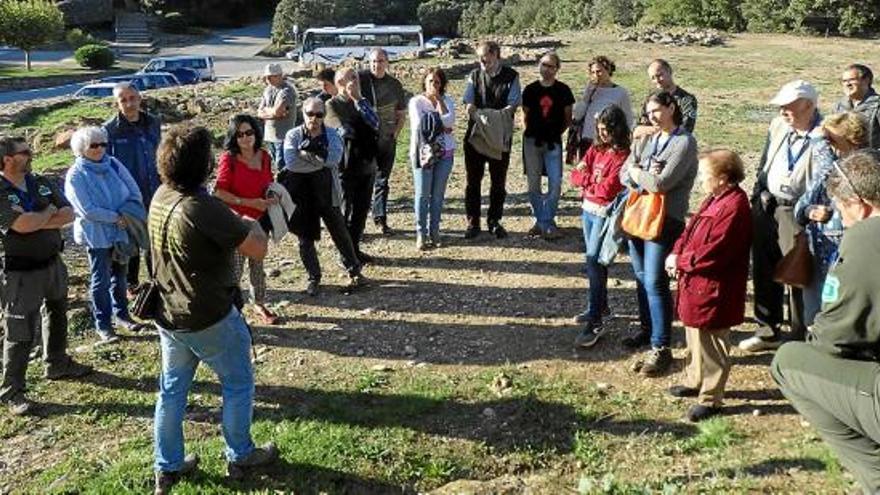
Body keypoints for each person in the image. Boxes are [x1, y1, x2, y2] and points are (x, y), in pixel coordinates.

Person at [150, 125, 277, 494]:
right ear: (201, 163)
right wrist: (249, 223)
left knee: (172, 390)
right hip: (209, 314)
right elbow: (257, 250)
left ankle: (168, 465)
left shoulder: (160, 195)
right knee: (237, 382)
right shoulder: (201, 206)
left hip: (169, 313)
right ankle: (240, 454)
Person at [771, 149, 880, 495]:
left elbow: (835, 335)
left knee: (788, 362)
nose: (844, 223)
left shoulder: (866, 235)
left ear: (860, 205)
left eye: (844, 213)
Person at [0, 137, 92, 416]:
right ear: (7, 159)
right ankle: (12, 390)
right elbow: (22, 226)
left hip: (52, 263)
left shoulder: (40, 181)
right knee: (20, 330)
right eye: (24, 152)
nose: (30, 155)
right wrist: (45, 213)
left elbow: (67, 213)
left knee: (57, 312)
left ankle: (57, 362)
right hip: (20, 272)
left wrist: (40, 215)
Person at [664, 149, 752, 422]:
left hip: (715, 287)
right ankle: (694, 379)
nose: (701, 179)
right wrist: (676, 252)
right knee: (693, 335)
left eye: (706, 174)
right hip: (696, 283)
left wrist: (683, 261)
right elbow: (690, 231)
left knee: (713, 342)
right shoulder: (714, 199)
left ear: (723, 178)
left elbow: (716, 250)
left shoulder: (735, 206)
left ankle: (711, 398)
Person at [741, 80, 824, 353]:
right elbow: (764, 161)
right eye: (780, 107)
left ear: (809, 105)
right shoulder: (779, 126)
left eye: (788, 106)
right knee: (764, 268)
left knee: (798, 272)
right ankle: (767, 330)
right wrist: (759, 193)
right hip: (767, 206)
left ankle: (799, 335)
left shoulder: (824, 134)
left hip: (798, 211)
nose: (782, 112)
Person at [619, 91, 698, 376]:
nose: (652, 116)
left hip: (666, 220)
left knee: (655, 280)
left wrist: (639, 174)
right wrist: (641, 174)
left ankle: (661, 346)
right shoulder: (649, 139)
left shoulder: (684, 143)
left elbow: (662, 183)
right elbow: (623, 172)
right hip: (640, 216)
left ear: (671, 107)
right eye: (649, 112)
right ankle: (647, 329)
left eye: (657, 110)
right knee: (641, 278)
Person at [64, 126, 146, 343]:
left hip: (120, 232)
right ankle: (103, 324)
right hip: (96, 235)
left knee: (120, 275)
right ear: (81, 149)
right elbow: (86, 210)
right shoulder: (75, 175)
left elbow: (134, 191)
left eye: (103, 144)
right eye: (94, 145)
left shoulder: (114, 165)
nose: (100, 149)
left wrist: (125, 215)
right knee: (100, 279)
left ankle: (122, 316)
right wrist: (116, 217)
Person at [282, 97, 365, 294]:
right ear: (303, 114)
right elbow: (291, 163)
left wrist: (307, 155)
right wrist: (319, 157)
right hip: (301, 194)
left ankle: (354, 270)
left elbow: (334, 160)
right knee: (305, 238)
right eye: (310, 114)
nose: (314, 118)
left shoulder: (332, 134)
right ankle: (313, 277)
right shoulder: (293, 135)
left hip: (327, 192)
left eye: (319, 114)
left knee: (340, 232)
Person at [794, 111, 868, 327]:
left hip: (850, 257)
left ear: (853, 140)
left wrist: (819, 143)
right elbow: (801, 207)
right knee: (813, 318)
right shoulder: (827, 168)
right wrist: (810, 212)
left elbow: (836, 175)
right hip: (819, 254)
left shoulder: (868, 168)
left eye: (832, 140)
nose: (828, 145)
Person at [570, 105, 631, 347]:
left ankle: (595, 320)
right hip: (588, 210)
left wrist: (588, 181)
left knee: (594, 260)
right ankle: (599, 305)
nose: (602, 134)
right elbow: (575, 175)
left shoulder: (622, 155)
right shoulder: (596, 149)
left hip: (605, 213)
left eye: (606, 130)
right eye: (599, 129)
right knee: (593, 262)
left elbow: (609, 189)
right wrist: (590, 180)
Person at [213, 114, 279, 325]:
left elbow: (268, 183)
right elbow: (219, 192)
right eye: (239, 134)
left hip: (261, 219)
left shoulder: (265, 156)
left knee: (258, 264)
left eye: (249, 132)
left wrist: (273, 196)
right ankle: (230, 308)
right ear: (233, 137)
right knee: (236, 267)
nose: (245, 138)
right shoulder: (228, 159)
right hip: (237, 222)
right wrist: (249, 202)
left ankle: (259, 302)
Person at [104, 82, 161, 291]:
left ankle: (157, 280)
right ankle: (131, 284)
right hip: (127, 197)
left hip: (154, 191)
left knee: (155, 240)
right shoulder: (109, 130)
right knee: (131, 242)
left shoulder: (153, 122)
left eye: (132, 98)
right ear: (116, 103)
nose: (129, 104)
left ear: (139, 98)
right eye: (123, 100)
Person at [462, 40, 522, 239]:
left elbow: (512, 105)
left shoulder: (511, 77)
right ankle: (473, 222)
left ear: (496, 55)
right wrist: (480, 115)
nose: (482, 62)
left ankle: (494, 220)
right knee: (473, 181)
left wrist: (488, 117)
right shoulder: (474, 75)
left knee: (498, 181)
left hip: (500, 136)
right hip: (476, 136)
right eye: (479, 59)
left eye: (485, 59)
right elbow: (469, 103)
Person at [325, 67, 380, 264]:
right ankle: (345, 254)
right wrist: (360, 123)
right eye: (351, 78)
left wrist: (358, 101)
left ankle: (355, 249)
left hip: (367, 164)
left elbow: (375, 124)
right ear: (340, 82)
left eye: (356, 77)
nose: (356, 81)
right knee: (345, 212)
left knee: (361, 211)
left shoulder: (362, 101)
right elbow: (344, 131)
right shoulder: (331, 105)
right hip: (346, 168)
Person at [521, 51, 575, 239]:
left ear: (557, 69)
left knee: (555, 183)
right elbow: (525, 116)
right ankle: (542, 221)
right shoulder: (530, 90)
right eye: (544, 64)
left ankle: (547, 221)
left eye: (551, 66)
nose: (546, 69)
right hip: (532, 141)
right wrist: (533, 132)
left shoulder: (563, 90)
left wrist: (555, 132)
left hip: (553, 141)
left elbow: (568, 118)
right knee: (533, 184)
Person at [360, 48, 406, 235]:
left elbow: (401, 113)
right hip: (365, 141)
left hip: (387, 140)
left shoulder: (395, 85)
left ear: (387, 63)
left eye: (380, 61)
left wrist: (395, 133)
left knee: (382, 181)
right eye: (373, 61)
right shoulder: (361, 81)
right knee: (364, 181)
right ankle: (359, 222)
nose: (376, 65)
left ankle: (380, 218)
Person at [408, 67, 456, 250]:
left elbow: (450, 121)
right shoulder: (416, 102)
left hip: (445, 153)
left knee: (437, 195)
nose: (434, 85)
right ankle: (421, 232)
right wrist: (442, 125)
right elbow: (421, 126)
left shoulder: (448, 101)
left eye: (437, 82)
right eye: (430, 81)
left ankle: (435, 231)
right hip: (423, 153)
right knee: (422, 194)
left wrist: (439, 104)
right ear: (424, 82)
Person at [570, 56, 634, 161]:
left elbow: (628, 118)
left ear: (608, 69)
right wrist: (586, 97)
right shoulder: (590, 90)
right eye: (593, 72)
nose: (596, 75)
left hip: (608, 140)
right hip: (587, 139)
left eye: (599, 71)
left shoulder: (620, 92)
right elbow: (577, 116)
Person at [633, 59, 698, 139]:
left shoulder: (686, 100)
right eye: (653, 78)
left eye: (659, 75)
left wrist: (655, 131)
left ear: (669, 72)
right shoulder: (651, 100)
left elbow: (686, 129)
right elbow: (639, 129)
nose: (657, 80)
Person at [257, 63, 297, 171]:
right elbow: (260, 112)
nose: (268, 79)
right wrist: (272, 112)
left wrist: (268, 111)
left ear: (279, 75)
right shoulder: (267, 90)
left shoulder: (287, 91)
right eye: (267, 77)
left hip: (284, 136)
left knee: (282, 166)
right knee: (275, 165)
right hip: (270, 135)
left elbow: (277, 112)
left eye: (271, 76)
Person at [832, 64, 880, 148]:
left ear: (866, 80)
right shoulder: (839, 106)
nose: (847, 84)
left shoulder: (877, 105)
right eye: (844, 81)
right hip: (844, 159)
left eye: (851, 80)